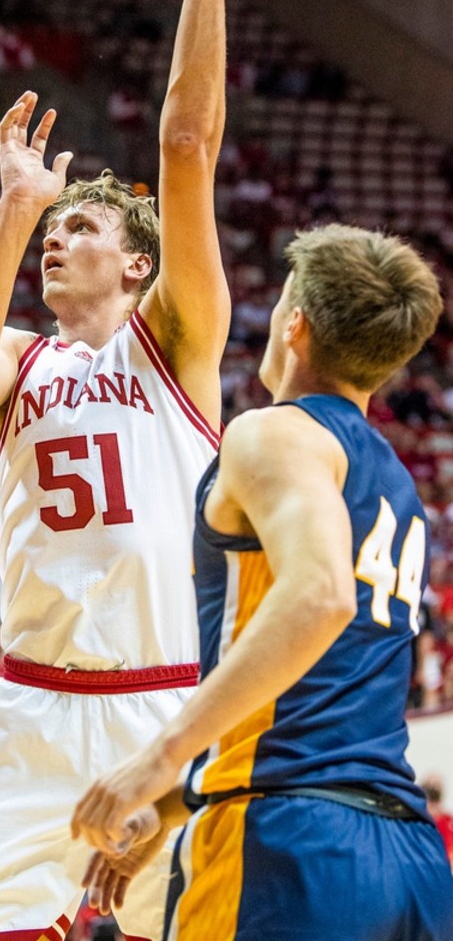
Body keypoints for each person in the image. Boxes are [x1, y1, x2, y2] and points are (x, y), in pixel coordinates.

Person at [0, 0, 245, 941]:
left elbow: (189, 143)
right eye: (53, 233)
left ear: (142, 262)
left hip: (166, 700)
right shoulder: (25, 360)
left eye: (83, 229)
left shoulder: (179, 340)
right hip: (34, 705)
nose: (63, 240)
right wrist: (16, 209)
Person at [71, 223, 453, 940]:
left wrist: (156, 764)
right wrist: (180, 803)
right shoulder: (397, 485)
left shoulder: (273, 433)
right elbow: (322, 708)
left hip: (292, 844)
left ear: (294, 322)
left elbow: (321, 596)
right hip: (409, 858)